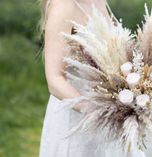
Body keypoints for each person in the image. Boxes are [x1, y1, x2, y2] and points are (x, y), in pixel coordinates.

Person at [39, 0, 123, 157]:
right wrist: (99, 113)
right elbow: (55, 80)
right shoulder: (64, 5)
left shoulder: (100, 2)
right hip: (77, 119)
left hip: (112, 118)